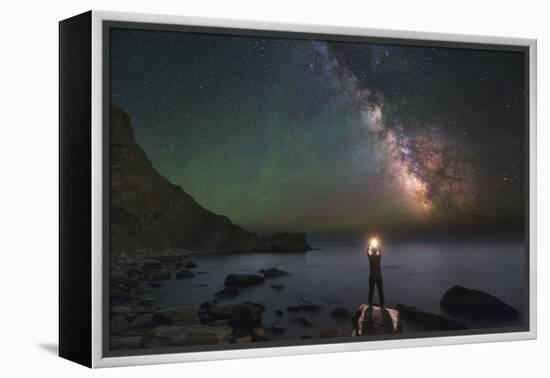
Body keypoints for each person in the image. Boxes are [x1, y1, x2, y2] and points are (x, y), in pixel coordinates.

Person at [366, 239, 385, 310]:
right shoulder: (378, 257)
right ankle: (382, 304)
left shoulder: (371, 258)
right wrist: (376, 245)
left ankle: (370, 304)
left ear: (372, 251)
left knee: (372, 290)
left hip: (373, 276)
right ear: (375, 251)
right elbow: (379, 251)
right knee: (380, 290)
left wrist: (370, 244)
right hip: (378, 276)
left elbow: (367, 251)